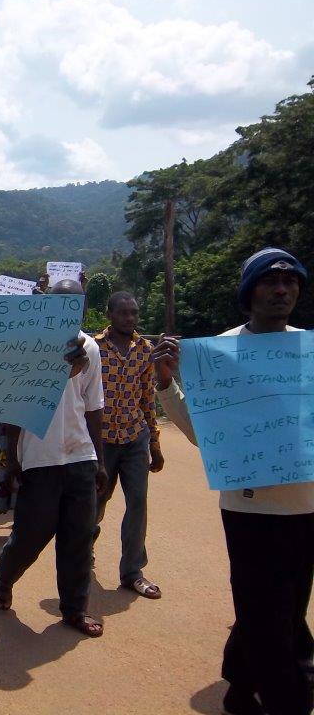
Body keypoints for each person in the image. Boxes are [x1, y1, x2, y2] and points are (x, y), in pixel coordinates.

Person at [152, 248, 312, 715]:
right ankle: (289, 699)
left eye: (290, 281)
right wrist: (167, 384)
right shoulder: (220, 354)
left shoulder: (308, 350)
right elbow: (206, 437)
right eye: (270, 281)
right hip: (251, 509)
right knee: (266, 615)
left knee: (287, 604)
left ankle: (240, 687)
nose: (281, 289)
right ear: (250, 292)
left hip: (306, 506)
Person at [0, 278, 108, 639]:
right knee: (30, 536)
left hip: (79, 455)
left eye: (75, 305)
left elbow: (94, 409)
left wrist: (99, 459)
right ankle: (5, 576)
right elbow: (12, 410)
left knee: (78, 537)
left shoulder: (89, 348)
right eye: (60, 304)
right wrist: (12, 459)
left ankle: (74, 608)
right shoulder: (25, 347)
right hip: (38, 458)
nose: (68, 312)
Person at [93, 292, 165, 600]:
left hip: (135, 438)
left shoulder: (145, 350)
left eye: (134, 313)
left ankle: (133, 571)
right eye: (123, 313)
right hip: (102, 441)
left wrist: (156, 443)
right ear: (109, 314)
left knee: (138, 502)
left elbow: (147, 399)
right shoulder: (94, 348)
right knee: (96, 505)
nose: (130, 319)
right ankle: (82, 553)